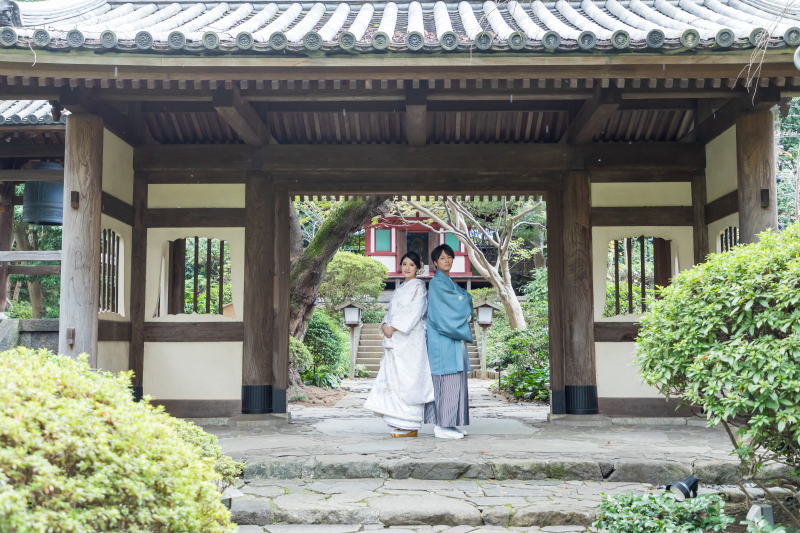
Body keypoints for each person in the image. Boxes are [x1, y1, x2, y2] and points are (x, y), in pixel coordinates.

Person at [364, 252, 434, 437]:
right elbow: (391, 312)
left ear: (417, 268)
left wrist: (393, 327)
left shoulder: (419, 287)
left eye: (411, 264)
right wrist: (385, 325)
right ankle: (400, 422)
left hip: (410, 339)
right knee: (394, 378)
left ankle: (411, 424)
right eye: (404, 264)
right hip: (395, 339)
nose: (407, 268)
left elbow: (415, 311)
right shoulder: (399, 288)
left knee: (409, 378)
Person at [424, 243, 474, 440]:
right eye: (442, 258)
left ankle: (450, 423)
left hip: (452, 340)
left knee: (456, 382)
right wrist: (464, 301)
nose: (447, 260)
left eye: (449, 257)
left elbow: (464, 298)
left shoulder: (449, 283)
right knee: (446, 382)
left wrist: (464, 299)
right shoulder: (437, 283)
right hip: (442, 341)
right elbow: (456, 305)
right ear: (435, 263)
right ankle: (441, 425)